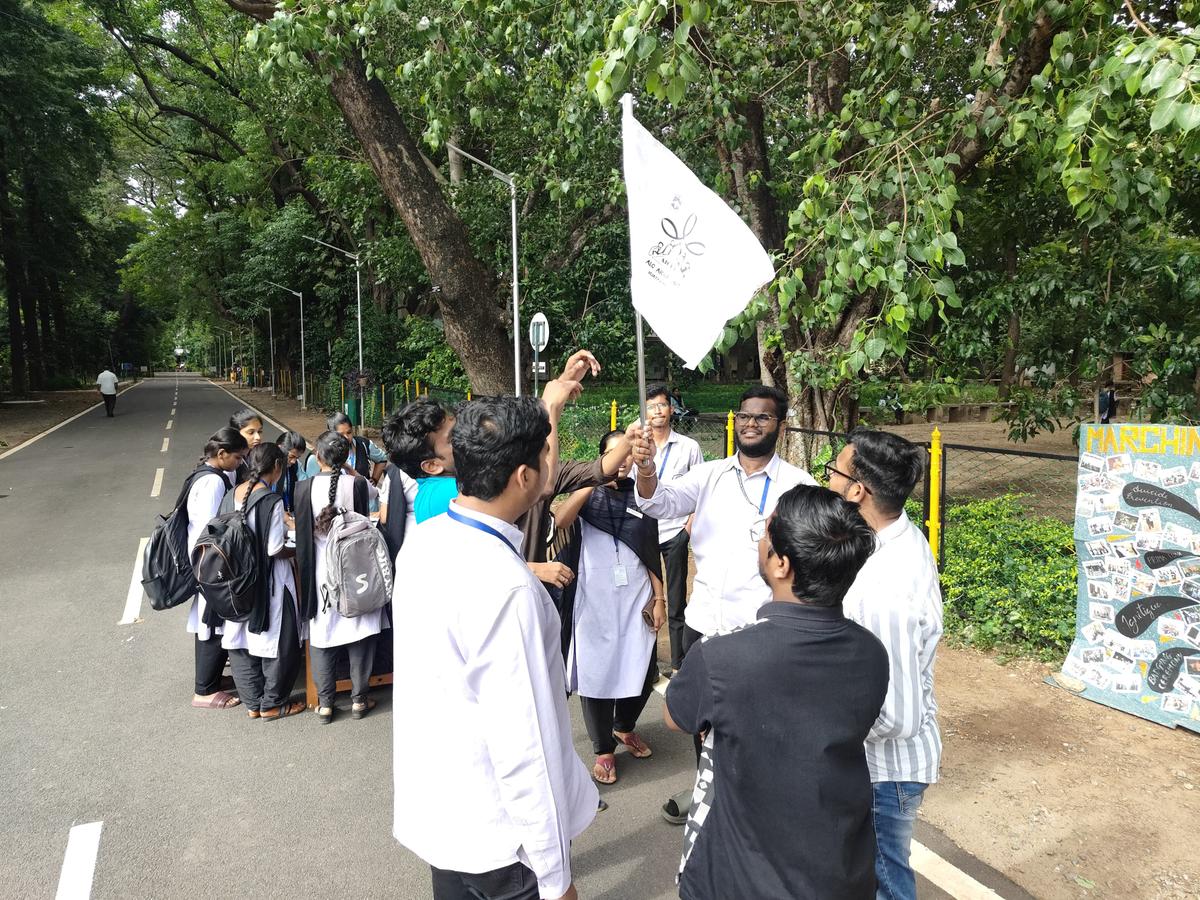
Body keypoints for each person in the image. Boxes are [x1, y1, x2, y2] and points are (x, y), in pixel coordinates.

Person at [392, 396, 597, 900]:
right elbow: (525, 746)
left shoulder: (424, 541)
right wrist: (555, 877)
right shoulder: (508, 588)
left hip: (445, 818)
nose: (551, 462)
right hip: (506, 844)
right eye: (546, 455)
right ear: (525, 477)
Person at [665, 485, 888, 900]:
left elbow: (676, 717)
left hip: (738, 880)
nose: (761, 541)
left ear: (782, 564)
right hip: (840, 873)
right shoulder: (872, 653)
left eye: (765, 532)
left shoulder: (721, 656)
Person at [628, 384, 816, 824]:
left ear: (780, 426)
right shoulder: (710, 475)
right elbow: (657, 501)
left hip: (761, 630)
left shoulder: (798, 486)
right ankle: (707, 788)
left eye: (762, 417)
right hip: (705, 623)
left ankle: (751, 802)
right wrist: (646, 469)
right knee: (702, 718)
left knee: (757, 720)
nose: (751, 424)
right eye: (745, 415)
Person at [825, 428, 943, 900]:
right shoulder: (888, 541)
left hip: (883, 771)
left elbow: (896, 714)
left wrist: (821, 727)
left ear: (858, 491)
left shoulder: (885, 589)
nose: (827, 481)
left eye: (833, 472)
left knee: (885, 883)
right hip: (877, 766)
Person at [553, 431, 665, 786]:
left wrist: (659, 598)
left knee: (642, 669)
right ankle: (603, 749)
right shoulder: (588, 494)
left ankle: (624, 727)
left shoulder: (642, 495)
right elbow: (560, 521)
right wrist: (590, 482)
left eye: (627, 453)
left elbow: (651, 550)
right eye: (614, 453)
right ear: (602, 456)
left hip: (635, 597)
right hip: (593, 599)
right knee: (596, 673)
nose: (622, 461)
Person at [294, 431, 384, 723]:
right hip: (354, 570)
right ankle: (359, 699)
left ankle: (325, 704)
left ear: (317, 456)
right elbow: (375, 495)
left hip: (320, 574)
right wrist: (351, 470)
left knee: (322, 635)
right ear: (346, 457)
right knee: (359, 629)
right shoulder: (356, 484)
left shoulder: (303, 488)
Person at [221, 443, 306, 721]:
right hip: (269, 581)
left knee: (239, 641)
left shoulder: (232, 494)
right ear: (277, 467)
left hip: (234, 582)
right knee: (281, 640)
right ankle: (273, 702)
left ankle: (252, 703)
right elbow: (274, 549)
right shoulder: (271, 501)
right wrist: (298, 549)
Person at [185, 427, 248, 710]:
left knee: (211, 622)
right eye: (237, 457)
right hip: (210, 562)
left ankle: (210, 679)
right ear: (222, 454)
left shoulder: (206, 474)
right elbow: (214, 527)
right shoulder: (213, 483)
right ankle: (204, 691)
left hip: (205, 560)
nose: (240, 462)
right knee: (212, 622)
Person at [644, 384, 704, 676]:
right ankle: (648, 664)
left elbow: (700, 490)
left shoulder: (689, 447)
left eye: (662, 405)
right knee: (644, 598)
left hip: (675, 533)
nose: (657, 411)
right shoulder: (639, 445)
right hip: (643, 531)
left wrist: (687, 529)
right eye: (651, 406)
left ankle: (679, 664)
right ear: (644, 411)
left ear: (671, 409)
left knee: (676, 599)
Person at [387, 397, 458, 523]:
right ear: (432, 466)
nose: (465, 435)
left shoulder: (429, 491)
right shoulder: (456, 492)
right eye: (453, 437)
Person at [305, 412, 388, 484]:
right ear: (330, 433)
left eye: (349, 432)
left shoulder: (364, 444)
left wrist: (374, 479)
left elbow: (382, 458)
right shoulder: (319, 455)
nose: (346, 437)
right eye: (341, 434)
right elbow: (311, 485)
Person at [274, 431, 307, 517]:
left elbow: (304, 484)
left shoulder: (296, 465)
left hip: (291, 512)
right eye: (291, 456)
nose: (293, 461)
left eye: (297, 457)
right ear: (280, 449)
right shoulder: (270, 467)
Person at [230, 410, 265, 485]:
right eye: (251, 432)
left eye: (259, 431)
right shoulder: (230, 463)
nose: (258, 437)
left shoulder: (256, 455)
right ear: (236, 433)